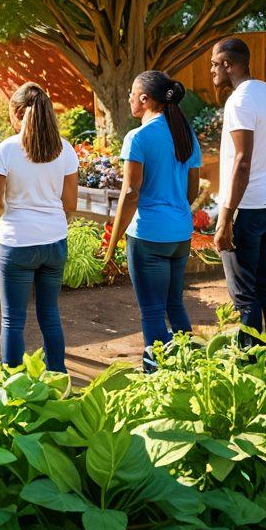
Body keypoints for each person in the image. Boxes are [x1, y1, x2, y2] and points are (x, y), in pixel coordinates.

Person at [104, 71, 202, 371]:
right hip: (180, 234)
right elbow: (192, 191)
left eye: (132, 94)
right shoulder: (185, 133)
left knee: (152, 311)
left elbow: (130, 194)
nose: (129, 98)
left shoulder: (138, 137)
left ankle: (156, 376)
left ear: (145, 99)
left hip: (148, 236)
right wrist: (173, 213)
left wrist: (112, 244)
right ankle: (189, 369)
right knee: (175, 304)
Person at [0, 83, 77, 373]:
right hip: (54, 242)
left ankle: (14, 385)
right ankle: (58, 378)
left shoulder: (4, 151)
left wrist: (11, 211)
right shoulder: (65, 149)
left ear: (17, 113)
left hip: (16, 243)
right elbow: (70, 203)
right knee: (50, 314)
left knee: (13, 320)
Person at [210, 37, 266, 346]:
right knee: (263, 284)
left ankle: (249, 361)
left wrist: (225, 219)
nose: (212, 71)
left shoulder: (240, 100)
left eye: (215, 64)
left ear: (228, 65)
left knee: (244, 295)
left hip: (247, 206)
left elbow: (242, 161)